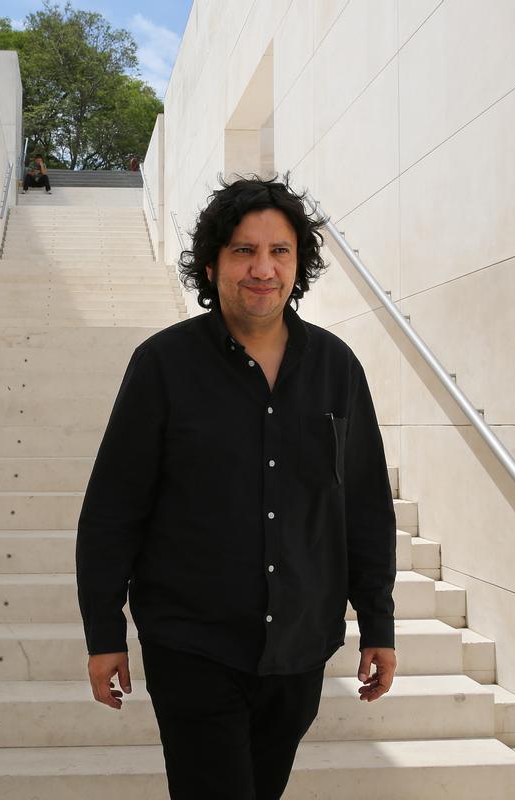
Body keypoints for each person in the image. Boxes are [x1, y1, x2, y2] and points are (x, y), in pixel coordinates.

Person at [76, 175, 398, 799]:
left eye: (279, 251)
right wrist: (103, 631)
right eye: (244, 251)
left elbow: (363, 506)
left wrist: (378, 622)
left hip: (300, 647)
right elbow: (113, 509)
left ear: (298, 264)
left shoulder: (337, 368)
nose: (263, 268)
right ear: (212, 263)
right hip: (192, 644)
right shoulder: (162, 366)